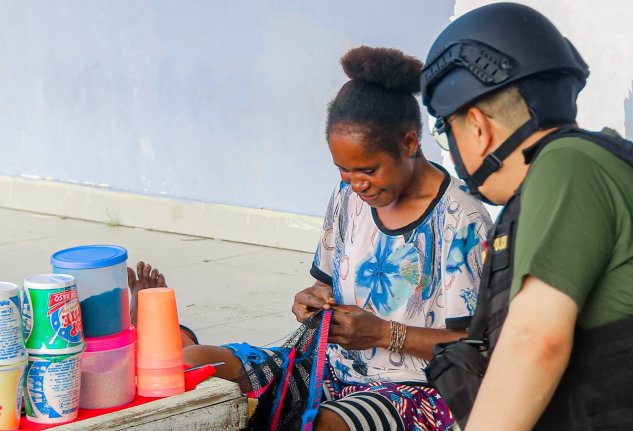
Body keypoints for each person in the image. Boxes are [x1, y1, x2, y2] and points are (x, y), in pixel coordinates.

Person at [131, 46, 492, 431]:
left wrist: (386, 333)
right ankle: (170, 337)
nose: (355, 184)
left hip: (415, 391)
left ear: (409, 143)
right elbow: (325, 284)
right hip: (326, 369)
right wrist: (311, 300)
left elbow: (475, 350)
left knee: (323, 424)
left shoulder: (462, 220)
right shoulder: (347, 196)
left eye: (367, 169)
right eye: (343, 170)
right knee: (194, 365)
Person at [420, 3, 633, 430]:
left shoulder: (565, 165)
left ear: (476, 126)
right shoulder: (586, 166)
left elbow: (535, 342)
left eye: (445, 128)